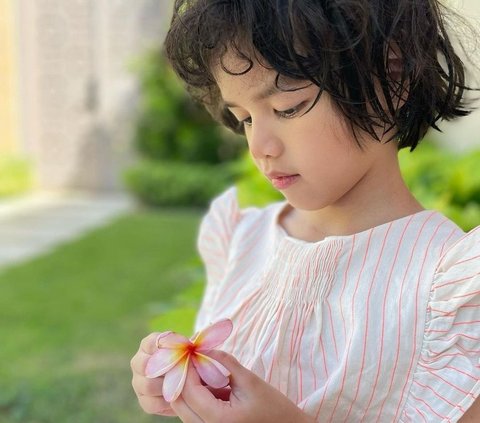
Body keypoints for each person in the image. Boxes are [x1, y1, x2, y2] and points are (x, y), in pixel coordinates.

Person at [130, 0, 480, 421]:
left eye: (286, 108)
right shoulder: (243, 240)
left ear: (393, 76)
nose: (260, 147)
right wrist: (177, 381)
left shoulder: (450, 294)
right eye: (244, 118)